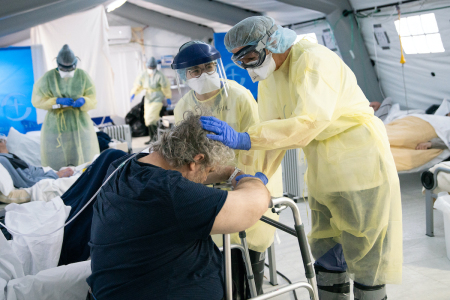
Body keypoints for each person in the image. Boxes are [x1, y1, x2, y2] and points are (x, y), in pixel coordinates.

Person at [201, 16, 402, 300]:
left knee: (366, 254)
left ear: (271, 43)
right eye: (240, 61)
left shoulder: (315, 60)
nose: (248, 67)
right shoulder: (272, 77)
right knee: (327, 250)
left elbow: (309, 122)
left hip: (361, 161)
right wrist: (261, 177)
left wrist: (244, 138)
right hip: (323, 167)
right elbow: (275, 133)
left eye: (250, 57)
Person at [86, 110, 271, 300]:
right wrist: (250, 181)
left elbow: (189, 172)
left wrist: (229, 172)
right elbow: (253, 205)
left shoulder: (124, 165)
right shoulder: (171, 193)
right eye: (208, 170)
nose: (207, 177)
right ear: (196, 160)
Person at [172, 41, 282, 296]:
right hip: (207, 188)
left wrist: (248, 178)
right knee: (217, 265)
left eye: (208, 67)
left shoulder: (239, 96)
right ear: (184, 76)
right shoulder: (182, 108)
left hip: (245, 181)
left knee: (246, 263)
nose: (204, 74)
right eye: (195, 71)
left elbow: (259, 144)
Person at [32, 44, 99, 170]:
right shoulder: (48, 78)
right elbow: (37, 100)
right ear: (57, 65)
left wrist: (84, 100)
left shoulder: (83, 76)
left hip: (79, 124)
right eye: (64, 69)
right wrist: (56, 100)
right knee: (56, 162)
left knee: (83, 160)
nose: (67, 72)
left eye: (70, 69)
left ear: (75, 64)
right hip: (55, 127)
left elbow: (93, 98)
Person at [0, 134, 73, 188]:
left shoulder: (8, 156)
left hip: (45, 173)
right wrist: (56, 175)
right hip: (46, 178)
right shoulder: (3, 160)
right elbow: (28, 183)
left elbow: (30, 171)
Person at [130, 57, 172, 144]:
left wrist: (168, 97)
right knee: (147, 118)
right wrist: (134, 93)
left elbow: (165, 87)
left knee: (152, 118)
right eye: (150, 68)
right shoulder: (144, 74)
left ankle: (155, 138)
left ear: (155, 67)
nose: (151, 69)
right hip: (148, 99)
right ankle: (152, 138)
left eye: (152, 68)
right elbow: (138, 85)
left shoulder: (159, 75)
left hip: (157, 98)